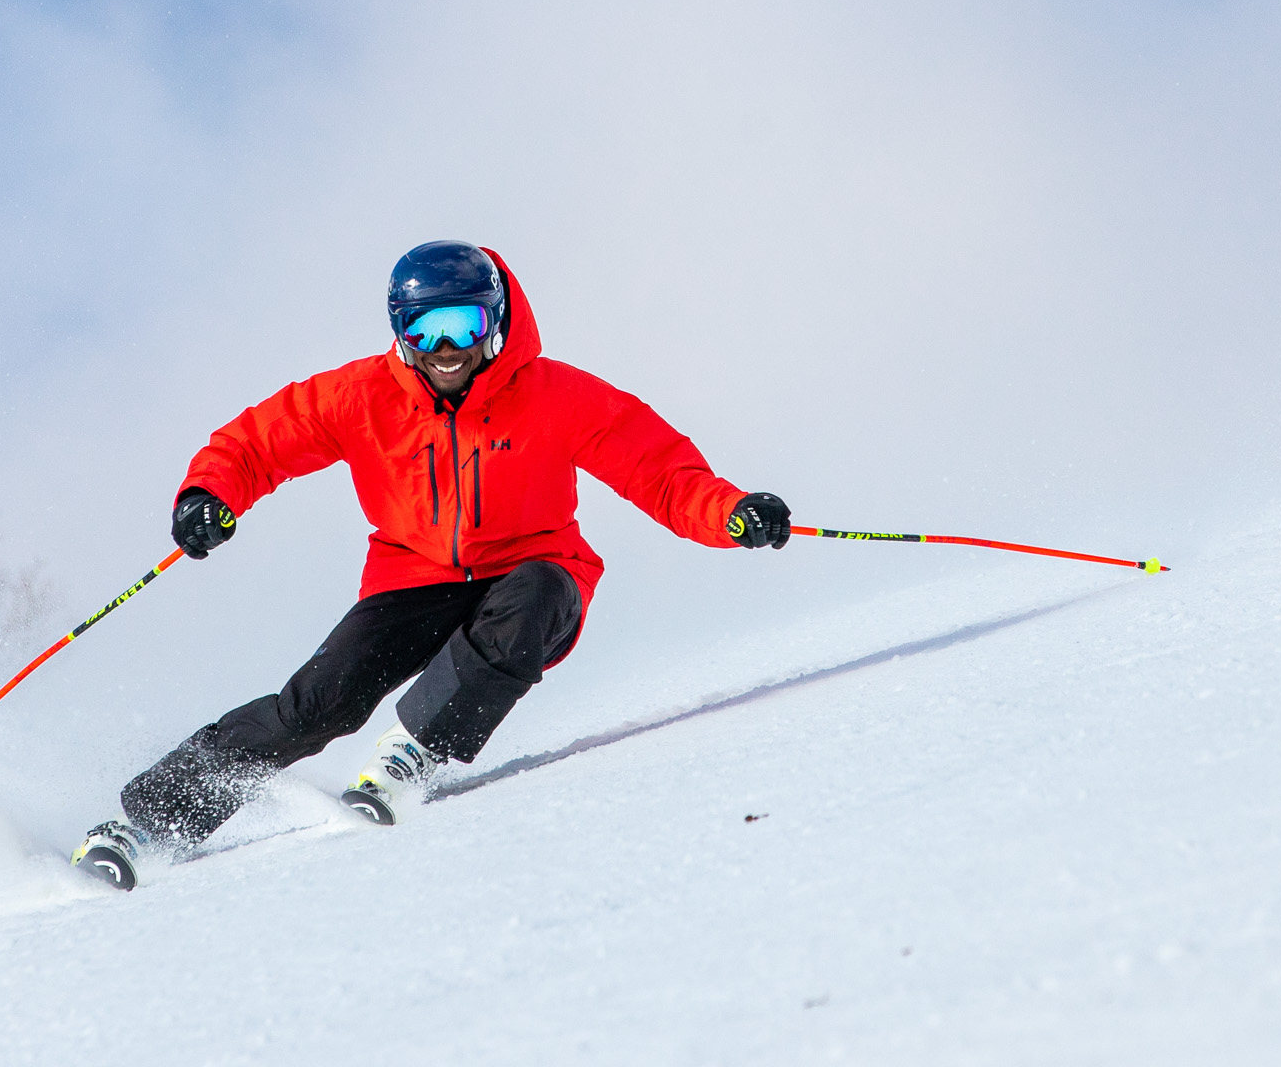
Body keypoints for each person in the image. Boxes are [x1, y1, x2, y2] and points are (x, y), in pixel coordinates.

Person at [73, 240, 790, 887]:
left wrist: (729, 514)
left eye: (465, 327)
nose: (446, 349)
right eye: (424, 330)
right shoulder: (360, 396)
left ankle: (414, 751)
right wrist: (208, 495)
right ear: (399, 330)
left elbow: (660, 471)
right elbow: (257, 443)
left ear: (495, 323)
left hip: (533, 572)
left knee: (534, 594)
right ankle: (148, 822)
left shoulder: (556, 396)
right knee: (318, 704)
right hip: (412, 580)